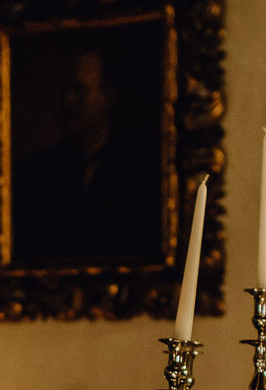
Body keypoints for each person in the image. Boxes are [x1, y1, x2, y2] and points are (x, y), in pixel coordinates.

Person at [12, 48, 160, 263]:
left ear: (107, 97)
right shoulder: (36, 173)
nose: (69, 100)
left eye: (80, 91)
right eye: (66, 91)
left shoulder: (140, 168)